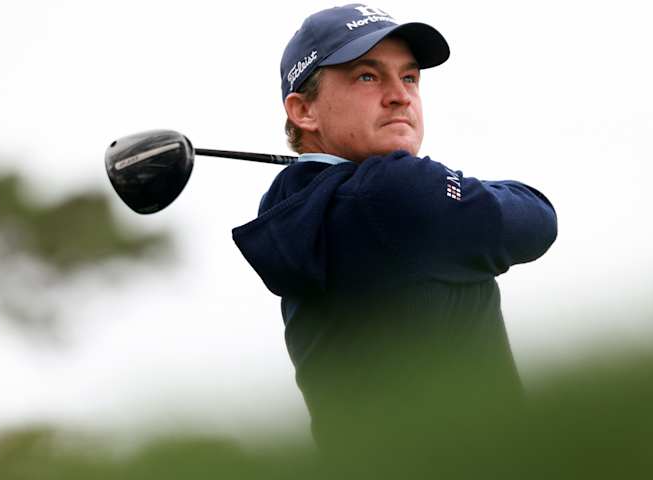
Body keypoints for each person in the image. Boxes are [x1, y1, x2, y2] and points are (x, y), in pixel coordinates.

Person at [232, 4, 557, 450]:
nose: (399, 95)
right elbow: (538, 219)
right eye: (368, 76)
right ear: (304, 111)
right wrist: (463, 188)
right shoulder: (391, 192)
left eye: (409, 78)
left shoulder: (295, 205)